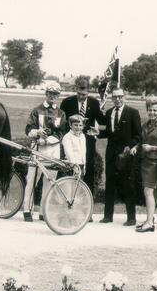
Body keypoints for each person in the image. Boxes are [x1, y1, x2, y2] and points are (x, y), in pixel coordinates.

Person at [90, 88, 141, 225]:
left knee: (128, 185)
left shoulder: (133, 113)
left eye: (120, 97)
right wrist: (97, 133)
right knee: (110, 184)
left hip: (126, 155)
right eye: (115, 97)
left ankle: (131, 218)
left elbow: (137, 135)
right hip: (111, 154)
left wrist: (130, 147)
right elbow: (108, 132)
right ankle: (108, 216)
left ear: (125, 97)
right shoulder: (109, 112)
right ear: (112, 98)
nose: (117, 99)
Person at [22, 81, 67, 222]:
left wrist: (47, 140)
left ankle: (43, 211)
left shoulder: (61, 113)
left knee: (50, 181)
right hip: (37, 149)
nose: (53, 96)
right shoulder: (37, 110)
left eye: (55, 94)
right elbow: (28, 129)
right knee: (32, 180)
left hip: (53, 150)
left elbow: (61, 133)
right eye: (50, 93)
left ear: (58, 95)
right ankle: (27, 210)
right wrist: (37, 132)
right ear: (46, 94)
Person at [130, 97, 157, 233]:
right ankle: (150, 219)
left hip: (156, 163)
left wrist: (152, 148)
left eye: (155, 110)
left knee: (148, 191)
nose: (152, 112)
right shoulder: (146, 125)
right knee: (152, 192)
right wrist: (136, 147)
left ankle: (149, 223)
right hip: (146, 162)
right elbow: (143, 140)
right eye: (150, 110)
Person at [60, 79, 105, 193]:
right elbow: (62, 122)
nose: (81, 97)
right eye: (79, 94)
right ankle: (67, 194)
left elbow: (101, 120)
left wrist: (106, 114)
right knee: (69, 166)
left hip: (88, 141)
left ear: (89, 92)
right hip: (71, 140)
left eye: (84, 94)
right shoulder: (67, 102)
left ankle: (86, 195)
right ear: (76, 90)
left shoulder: (94, 103)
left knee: (88, 167)